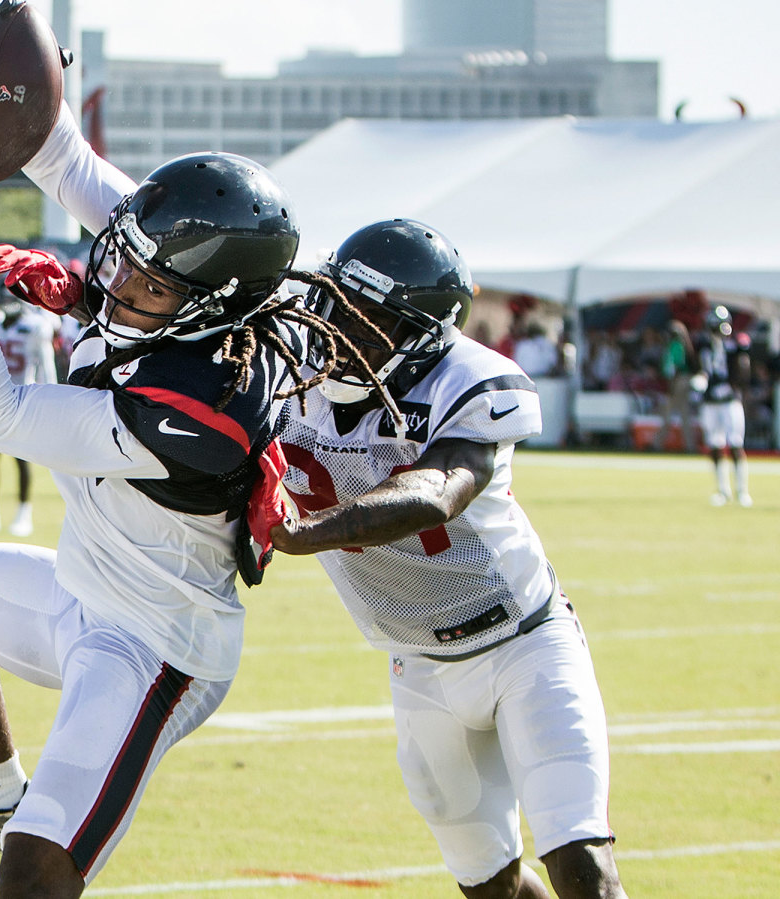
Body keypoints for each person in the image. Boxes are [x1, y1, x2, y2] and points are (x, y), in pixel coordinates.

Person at [0, 32, 347, 887]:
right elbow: (61, 157)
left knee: (36, 877)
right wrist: (19, 65)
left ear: (206, 311)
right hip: (82, 592)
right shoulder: (182, 274)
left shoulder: (201, 407)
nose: (123, 278)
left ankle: (14, 827)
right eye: (125, 256)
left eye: (151, 286)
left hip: (157, 644)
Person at [260, 219, 630, 899]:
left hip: (524, 644)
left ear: (418, 336)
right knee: (491, 885)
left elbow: (436, 492)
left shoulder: (472, 378)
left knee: (583, 867)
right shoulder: (290, 375)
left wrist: (300, 530)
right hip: (419, 664)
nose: (337, 327)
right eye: (336, 302)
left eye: (362, 317)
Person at [0, 288, 60, 536]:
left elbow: (46, 367)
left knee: (21, 459)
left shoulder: (35, 327)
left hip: (23, 399)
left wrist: (46, 400)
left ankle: (24, 513)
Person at [696, 304, 751, 506]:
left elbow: (742, 370)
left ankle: (742, 490)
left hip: (729, 401)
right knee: (715, 445)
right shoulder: (705, 346)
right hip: (711, 402)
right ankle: (722, 490)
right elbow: (702, 368)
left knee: (736, 443)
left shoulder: (735, 346)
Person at [651, 319, 696, 452]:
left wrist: (671, 385)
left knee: (669, 413)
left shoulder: (676, 345)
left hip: (679, 382)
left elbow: (676, 367)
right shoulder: (678, 345)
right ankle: (689, 446)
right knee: (683, 414)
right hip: (680, 381)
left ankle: (657, 444)